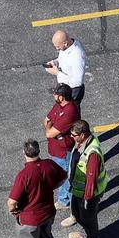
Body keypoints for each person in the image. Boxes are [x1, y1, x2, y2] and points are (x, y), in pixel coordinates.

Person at [7, 140, 66, 238]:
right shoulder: (49, 165)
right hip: (48, 213)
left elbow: (12, 202)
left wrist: (14, 212)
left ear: (24, 153)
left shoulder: (24, 175)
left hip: (30, 218)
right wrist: (51, 186)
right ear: (39, 151)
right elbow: (63, 177)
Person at [67, 120, 108, 238]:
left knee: (88, 219)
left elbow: (91, 179)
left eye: (73, 135)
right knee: (77, 214)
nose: (71, 137)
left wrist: (87, 199)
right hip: (78, 190)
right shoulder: (83, 142)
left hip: (88, 194)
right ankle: (87, 233)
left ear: (83, 134)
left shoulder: (93, 153)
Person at [43, 83, 80, 214]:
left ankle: (73, 209)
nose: (53, 95)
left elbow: (48, 132)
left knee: (65, 178)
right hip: (55, 148)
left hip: (62, 151)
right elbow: (46, 120)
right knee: (61, 176)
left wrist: (50, 129)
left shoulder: (70, 112)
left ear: (62, 97)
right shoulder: (59, 105)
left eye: (56, 94)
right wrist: (51, 128)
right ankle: (63, 200)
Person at [45, 30, 86, 104]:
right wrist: (55, 62)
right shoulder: (67, 47)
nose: (57, 49)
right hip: (65, 87)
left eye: (58, 47)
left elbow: (78, 82)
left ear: (65, 43)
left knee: (70, 113)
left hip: (73, 91)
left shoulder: (77, 56)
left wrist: (57, 73)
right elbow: (65, 58)